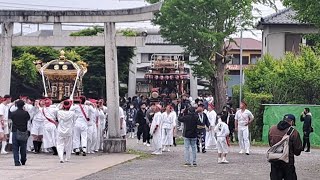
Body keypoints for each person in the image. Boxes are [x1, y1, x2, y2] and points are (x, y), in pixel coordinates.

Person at [268, 114, 303, 180]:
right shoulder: (294, 132)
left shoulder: (272, 129)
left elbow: (271, 144)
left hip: (275, 160)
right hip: (288, 162)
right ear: (292, 122)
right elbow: (297, 152)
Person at [10, 100, 30, 166]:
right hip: (23, 131)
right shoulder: (25, 113)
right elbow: (28, 119)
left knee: (15, 147)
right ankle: (23, 160)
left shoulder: (13, 113)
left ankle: (16, 161)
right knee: (23, 147)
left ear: (16, 105)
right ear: (23, 105)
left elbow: (11, 119)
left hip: (15, 131)